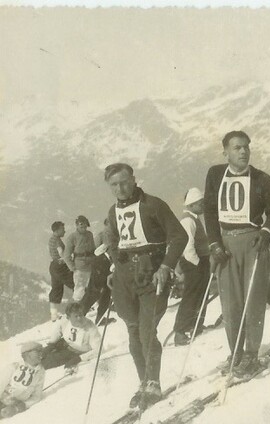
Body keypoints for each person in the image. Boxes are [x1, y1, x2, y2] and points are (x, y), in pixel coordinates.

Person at [104, 163, 187, 408]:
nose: (120, 188)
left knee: (147, 330)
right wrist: (113, 269)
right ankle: (142, 381)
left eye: (124, 181)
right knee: (132, 331)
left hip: (151, 273)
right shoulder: (113, 211)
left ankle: (153, 383)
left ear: (134, 179)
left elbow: (179, 236)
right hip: (124, 278)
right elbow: (117, 242)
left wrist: (166, 266)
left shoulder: (153, 205)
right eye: (114, 184)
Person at [204, 130, 270, 378]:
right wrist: (215, 244)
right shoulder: (216, 175)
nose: (243, 152)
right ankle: (235, 350)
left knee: (253, 298)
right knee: (230, 302)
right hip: (226, 243)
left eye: (246, 147)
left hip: (252, 242)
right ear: (225, 151)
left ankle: (251, 353)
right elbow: (209, 212)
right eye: (237, 148)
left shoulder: (261, 179)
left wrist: (266, 232)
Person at [172, 187, 211, 346]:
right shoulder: (188, 220)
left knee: (202, 294)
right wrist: (197, 265)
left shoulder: (194, 218)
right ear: (192, 204)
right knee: (191, 296)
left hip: (200, 261)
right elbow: (188, 247)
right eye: (200, 203)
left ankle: (196, 325)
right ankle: (180, 331)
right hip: (194, 262)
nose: (203, 206)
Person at [41, 302, 101, 372]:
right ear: (69, 317)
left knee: (48, 362)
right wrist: (51, 344)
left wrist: (79, 358)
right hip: (65, 343)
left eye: (81, 315)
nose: (79, 318)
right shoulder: (65, 320)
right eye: (76, 316)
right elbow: (58, 331)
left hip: (76, 352)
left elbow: (99, 350)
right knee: (40, 354)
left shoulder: (90, 328)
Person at [80, 218, 115, 326]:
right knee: (94, 292)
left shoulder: (113, 234)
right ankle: (78, 317)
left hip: (108, 265)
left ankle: (99, 319)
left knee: (105, 293)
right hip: (101, 264)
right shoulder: (102, 235)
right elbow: (94, 252)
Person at [0, 342, 45, 419]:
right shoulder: (14, 366)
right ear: (27, 354)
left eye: (41, 350)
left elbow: (36, 396)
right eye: (38, 351)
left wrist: (18, 408)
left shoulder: (40, 372)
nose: (41, 353)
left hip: (15, 405)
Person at [63, 215, 95, 302]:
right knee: (79, 290)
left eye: (85, 226)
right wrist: (73, 268)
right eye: (81, 226)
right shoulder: (72, 237)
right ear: (77, 225)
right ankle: (76, 309)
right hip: (80, 267)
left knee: (91, 289)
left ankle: (89, 310)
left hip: (91, 266)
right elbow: (66, 255)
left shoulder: (90, 235)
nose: (84, 228)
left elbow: (94, 250)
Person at [48, 221, 75, 321]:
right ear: (58, 230)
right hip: (61, 267)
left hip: (53, 266)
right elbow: (62, 254)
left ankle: (54, 315)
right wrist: (71, 258)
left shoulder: (51, 239)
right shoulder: (58, 241)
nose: (64, 231)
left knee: (56, 289)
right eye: (63, 229)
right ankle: (83, 307)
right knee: (76, 284)